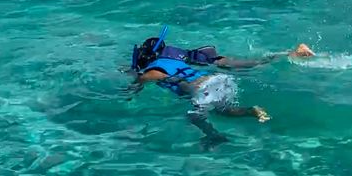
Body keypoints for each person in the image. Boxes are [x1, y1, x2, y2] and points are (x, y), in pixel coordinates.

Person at [126, 28, 314, 145]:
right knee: (224, 108)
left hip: (203, 89)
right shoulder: (175, 60)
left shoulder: (151, 72)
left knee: (195, 116)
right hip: (221, 80)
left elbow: (136, 86)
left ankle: (213, 136)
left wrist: (129, 91)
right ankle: (253, 109)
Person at [129, 26, 314, 71]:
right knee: (255, 61)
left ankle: (293, 53)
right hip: (210, 57)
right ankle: (288, 52)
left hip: (216, 61)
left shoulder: (160, 61)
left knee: (257, 64)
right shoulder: (165, 53)